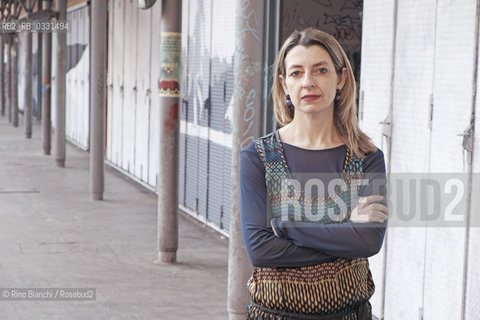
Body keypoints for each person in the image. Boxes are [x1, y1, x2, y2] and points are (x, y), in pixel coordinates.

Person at [239, 27, 388, 320]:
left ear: (341, 78)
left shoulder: (367, 157)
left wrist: (287, 227)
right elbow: (260, 250)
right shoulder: (257, 158)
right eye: (296, 73)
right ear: (283, 83)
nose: (308, 82)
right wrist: (345, 232)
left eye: (320, 70)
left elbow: (369, 241)